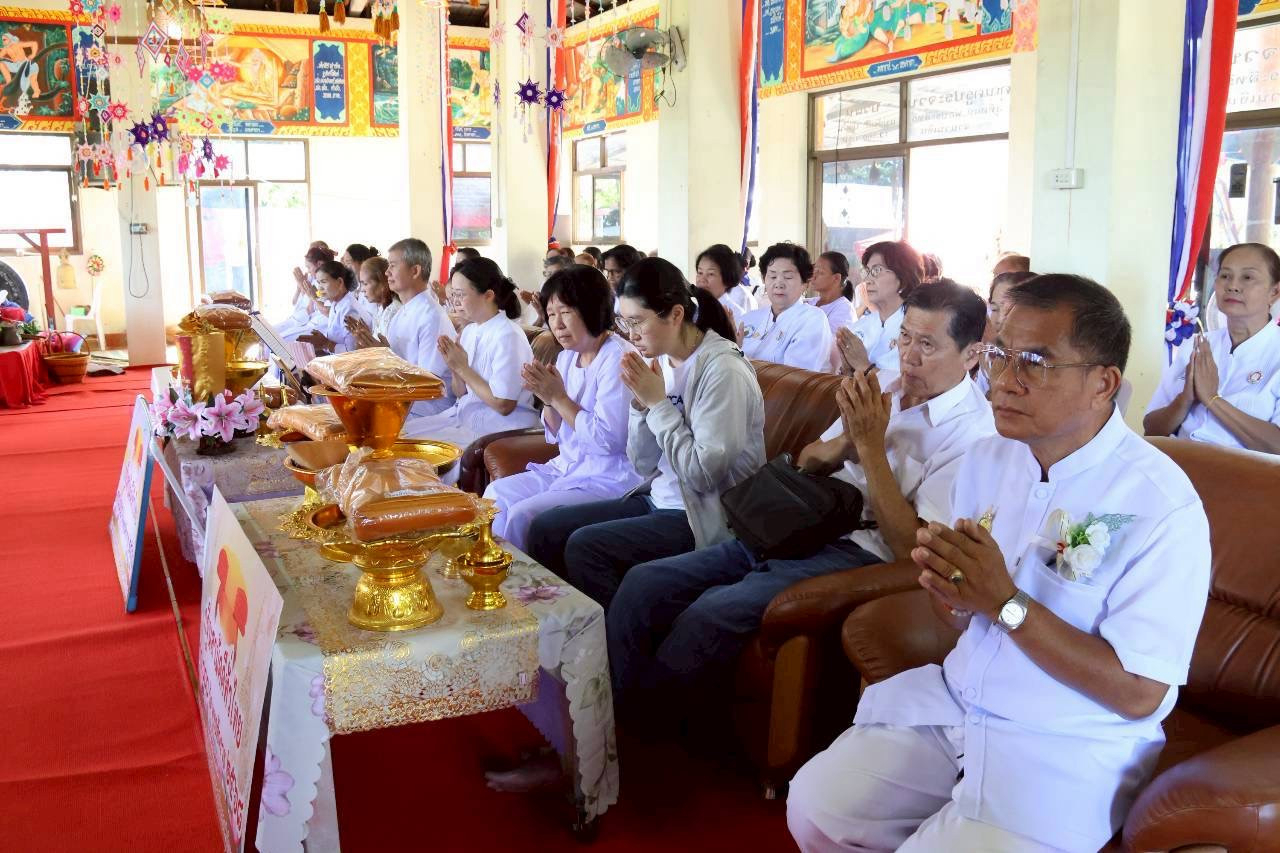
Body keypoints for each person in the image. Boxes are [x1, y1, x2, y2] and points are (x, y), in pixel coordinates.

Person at [788, 274, 1211, 852]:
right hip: (961, 702)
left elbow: (1139, 692)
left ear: (1103, 383)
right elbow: (962, 620)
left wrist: (1004, 603)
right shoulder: (990, 458)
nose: (1002, 384)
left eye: (1035, 362)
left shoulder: (1159, 505)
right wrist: (952, 596)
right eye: (1000, 356)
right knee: (818, 808)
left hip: (1063, 739)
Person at [608, 281, 995, 710]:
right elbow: (807, 461)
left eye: (927, 344)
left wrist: (869, 448)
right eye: (904, 336)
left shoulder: (974, 434)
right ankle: (611, 714)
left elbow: (911, 549)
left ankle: (648, 728)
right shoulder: (883, 385)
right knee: (645, 582)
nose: (909, 355)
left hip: (858, 551)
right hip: (800, 520)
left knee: (711, 612)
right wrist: (847, 443)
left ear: (972, 353)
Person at [525, 257, 766, 608]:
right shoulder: (662, 360)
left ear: (676, 315)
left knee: (586, 547)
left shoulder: (722, 370)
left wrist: (657, 404)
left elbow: (703, 475)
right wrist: (641, 406)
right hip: (659, 496)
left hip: (703, 513)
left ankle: (604, 655)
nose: (631, 334)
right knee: (546, 529)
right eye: (625, 321)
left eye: (638, 321)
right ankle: (565, 639)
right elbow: (642, 463)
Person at [483, 266, 641, 550]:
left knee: (522, 515)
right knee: (494, 495)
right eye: (551, 314)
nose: (557, 324)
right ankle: (492, 577)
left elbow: (608, 441)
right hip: (568, 467)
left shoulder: (619, 358)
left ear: (593, 308)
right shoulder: (568, 357)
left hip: (608, 477)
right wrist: (546, 397)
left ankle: (525, 589)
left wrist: (557, 398)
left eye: (566, 312)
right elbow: (557, 434)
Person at [1144, 242, 1280, 453]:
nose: (1232, 286)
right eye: (1225, 276)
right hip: (1179, 464)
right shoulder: (1198, 344)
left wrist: (1212, 399)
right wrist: (1185, 399)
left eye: (1247, 277)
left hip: (1246, 477)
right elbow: (1151, 429)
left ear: (1275, 292)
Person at [402, 257, 540, 458]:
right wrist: (455, 367)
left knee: (413, 454)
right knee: (401, 436)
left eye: (460, 295)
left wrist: (463, 368)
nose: (454, 302)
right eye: (453, 295)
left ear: (488, 295)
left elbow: (503, 405)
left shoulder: (508, 335)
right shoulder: (470, 331)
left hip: (499, 428)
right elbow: (460, 392)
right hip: (464, 417)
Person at [383, 238, 457, 417]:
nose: (386, 272)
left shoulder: (431, 316)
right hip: (406, 397)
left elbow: (429, 383)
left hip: (429, 407)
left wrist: (384, 357)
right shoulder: (402, 312)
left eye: (393, 266)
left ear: (415, 271)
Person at [835, 240, 924, 380]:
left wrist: (864, 366)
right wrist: (846, 369)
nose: (868, 279)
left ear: (903, 278)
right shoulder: (859, 328)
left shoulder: (920, 330)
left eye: (877, 271)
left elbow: (911, 390)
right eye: (867, 271)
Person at [738, 242, 833, 372]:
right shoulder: (749, 319)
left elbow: (792, 377)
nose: (778, 284)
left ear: (805, 283)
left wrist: (738, 359)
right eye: (772, 276)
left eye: (788, 277)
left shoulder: (812, 320)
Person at [298, 260, 359, 353]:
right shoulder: (336, 302)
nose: (319, 288)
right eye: (318, 283)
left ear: (339, 282)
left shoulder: (349, 310)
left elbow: (352, 352)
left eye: (323, 282)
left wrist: (325, 343)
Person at [806, 251, 856, 360]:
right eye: (814, 270)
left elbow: (827, 346)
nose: (813, 276)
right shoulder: (809, 302)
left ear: (836, 278)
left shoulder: (844, 309)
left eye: (820, 272)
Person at [277, 245, 336, 339]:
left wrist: (308, 291)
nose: (308, 271)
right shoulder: (317, 282)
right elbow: (314, 299)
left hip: (321, 325)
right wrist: (301, 287)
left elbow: (324, 307)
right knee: (278, 337)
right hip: (311, 321)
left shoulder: (331, 282)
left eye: (309, 267)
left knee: (282, 340)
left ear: (320, 264)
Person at [696, 243, 758, 322]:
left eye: (711, 274)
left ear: (726, 278)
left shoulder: (737, 316)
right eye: (700, 272)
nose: (702, 279)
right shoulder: (695, 311)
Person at [347, 257, 400, 347]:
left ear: (382, 283)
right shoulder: (381, 308)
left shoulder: (394, 311)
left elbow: (398, 355)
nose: (362, 290)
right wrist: (367, 337)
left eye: (365, 284)